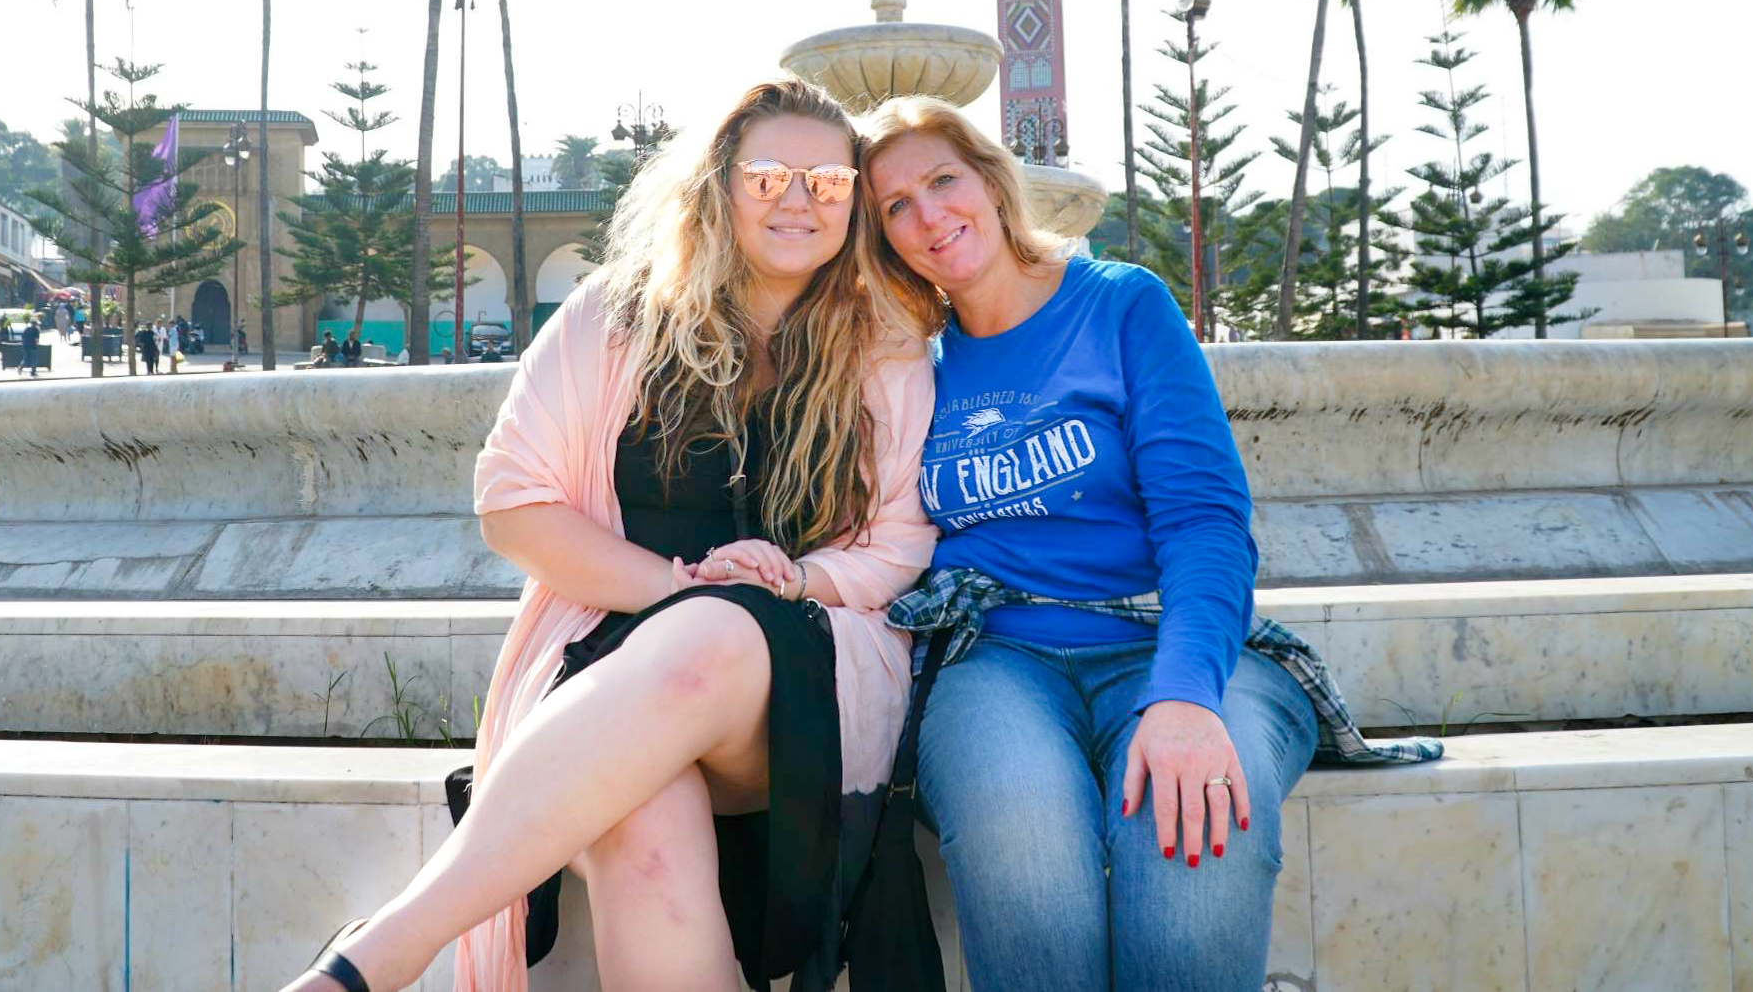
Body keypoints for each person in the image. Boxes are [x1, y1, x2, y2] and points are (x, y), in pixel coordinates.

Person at [281, 78, 937, 992]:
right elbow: (513, 500)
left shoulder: (885, 343)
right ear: (717, 183)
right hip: (612, 658)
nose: (798, 199)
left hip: (807, 669)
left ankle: (381, 951)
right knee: (643, 828)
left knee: (715, 634)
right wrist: (680, 587)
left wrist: (785, 582)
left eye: (827, 183)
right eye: (768, 176)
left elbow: (899, 547)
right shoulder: (616, 315)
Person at [857, 99, 1435, 992]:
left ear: (989, 179)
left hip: (1165, 638)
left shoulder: (1120, 304)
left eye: (942, 179)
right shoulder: (909, 364)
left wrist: (1184, 694)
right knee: (1021, 846)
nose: (928, 215)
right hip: (996, 661)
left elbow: (1204, 521)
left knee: (1189, 838)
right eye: (895, 204)